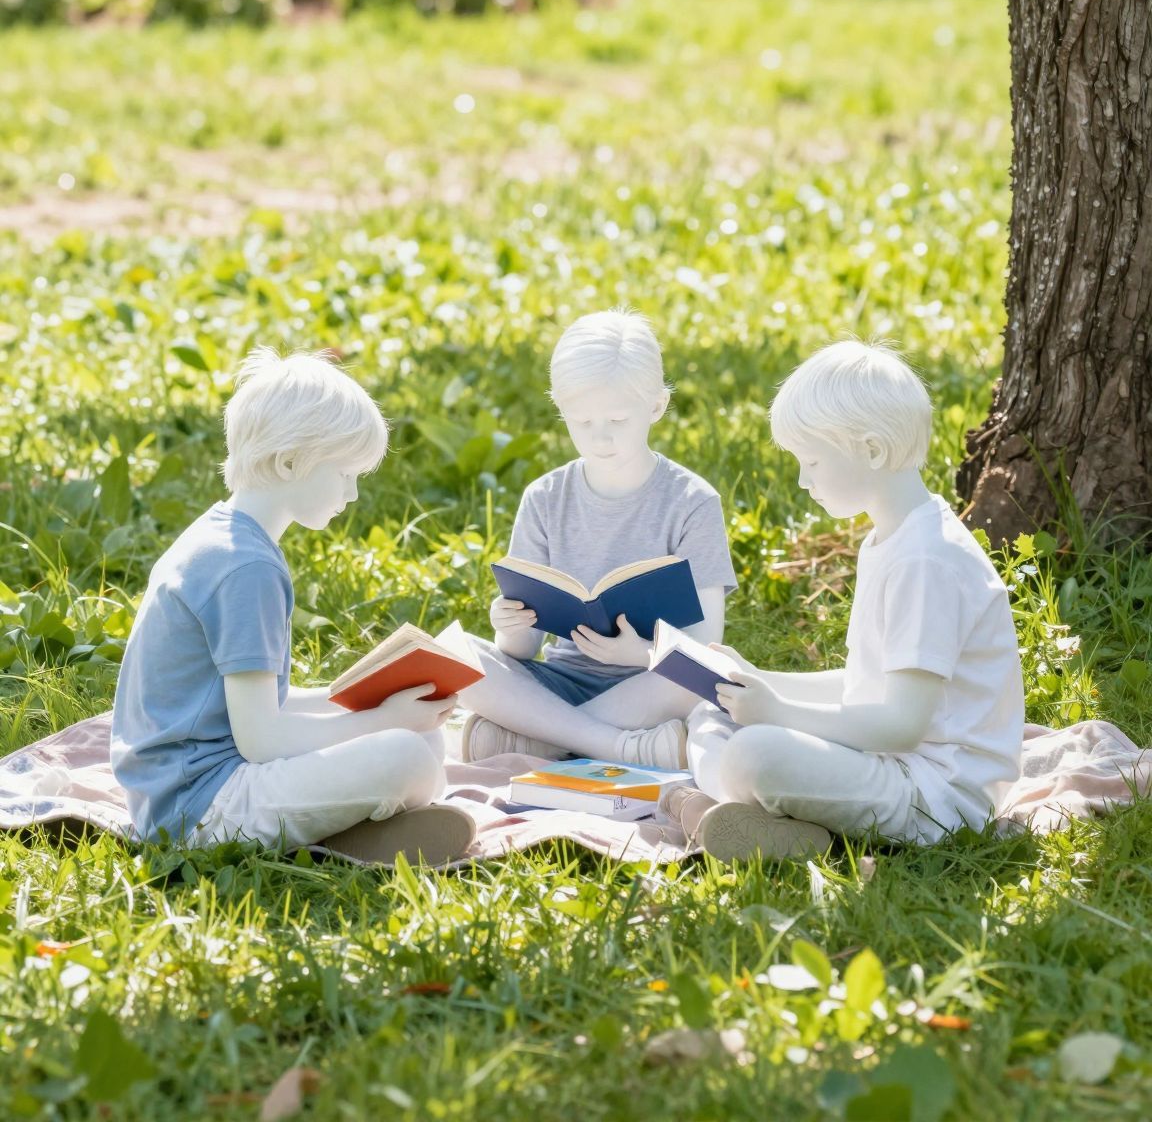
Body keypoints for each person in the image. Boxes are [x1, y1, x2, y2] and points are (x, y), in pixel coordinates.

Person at [110, 349, 475, 863]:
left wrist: (361, 703)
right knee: (408, 756)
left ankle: (345, 828)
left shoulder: (224, 538)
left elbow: (257, 703)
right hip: (197, 810)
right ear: (287, 463)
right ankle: (343, 835)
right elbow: (262, 738)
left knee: (422, 742)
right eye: (345, 474)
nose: (351, 495)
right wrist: (381, 722)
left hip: (179, 790)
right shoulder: (246, 569)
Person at [678, 340, 1024, 861]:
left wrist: (779, 712)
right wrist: (761, 682)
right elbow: (868, 687)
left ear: (871, 451)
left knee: (752, 752)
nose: (802, 480)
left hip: (938, 796)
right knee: (710, 719)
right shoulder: (891, 539)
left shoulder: (925, 561)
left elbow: (901, 726)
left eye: (812, 461)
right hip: (891, 764)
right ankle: (798, 832)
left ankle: (771, 820)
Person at [459, 310, 737, 769]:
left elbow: (705, 642)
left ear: (656, 407)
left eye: (616, 420)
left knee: (705, 677)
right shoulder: (545, 497)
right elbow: (521, 651)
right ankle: (617, 748)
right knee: (459, 656)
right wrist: (508, 628)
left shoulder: (692, 501)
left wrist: (642, 652)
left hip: (649, 684)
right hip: (559, 680)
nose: (600, 437)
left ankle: (538, 742)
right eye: (582, 422)